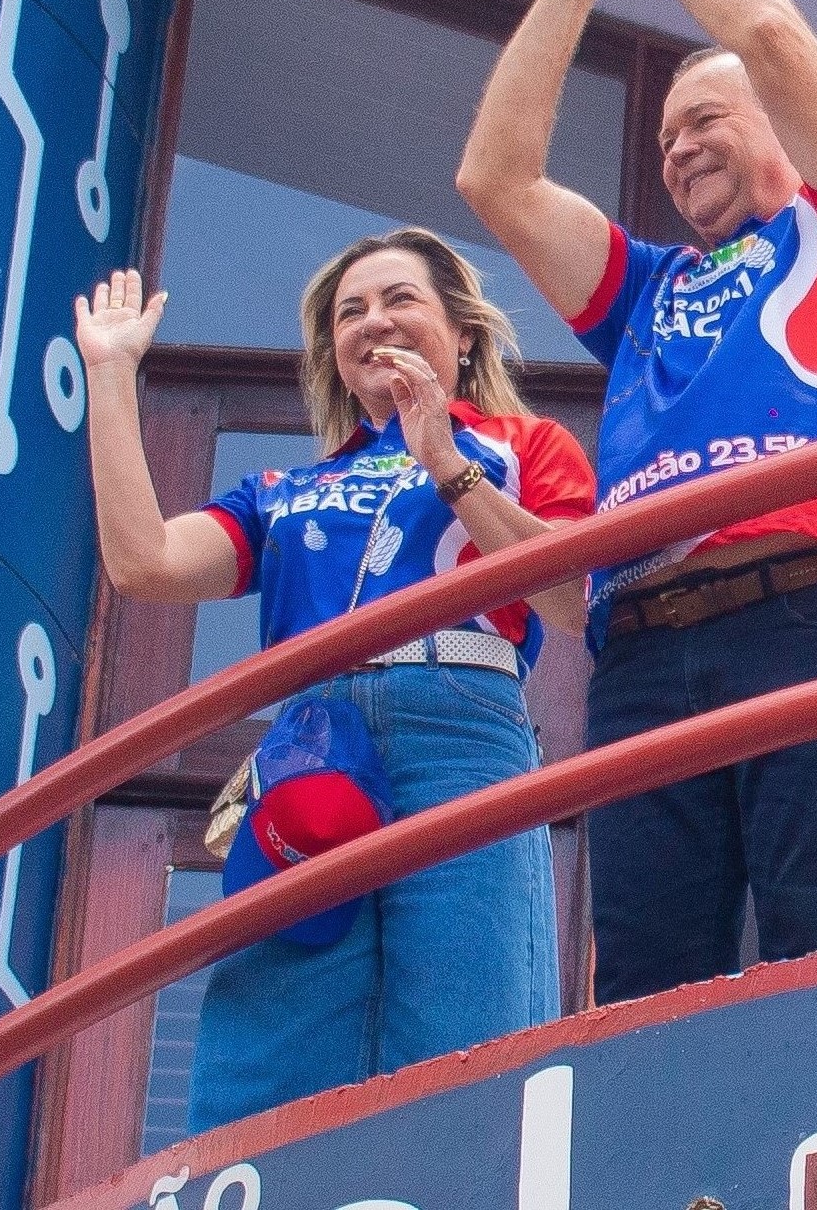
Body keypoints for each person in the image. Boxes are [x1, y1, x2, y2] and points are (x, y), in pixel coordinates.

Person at [457, 0, 817, 1001]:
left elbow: (771, 35)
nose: (675, 149)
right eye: (664, 136)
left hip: (813, 608)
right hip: (643, 652)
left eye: (703, 119)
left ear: (775, 127)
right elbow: (496, 178)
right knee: (645, 988)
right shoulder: (646, 287)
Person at [73, 234, 593, 1131]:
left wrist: (447, 462)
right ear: (333, 356)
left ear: (461, 334)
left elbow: (574, 595)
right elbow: (143, 562)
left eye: (399, 300)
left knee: (470, 1027)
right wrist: (113, 375)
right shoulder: (284, 486)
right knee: (279, 1030)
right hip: (316, 744)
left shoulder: (521, 446)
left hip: (460, 725)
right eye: (349, 313)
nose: (373, 322)